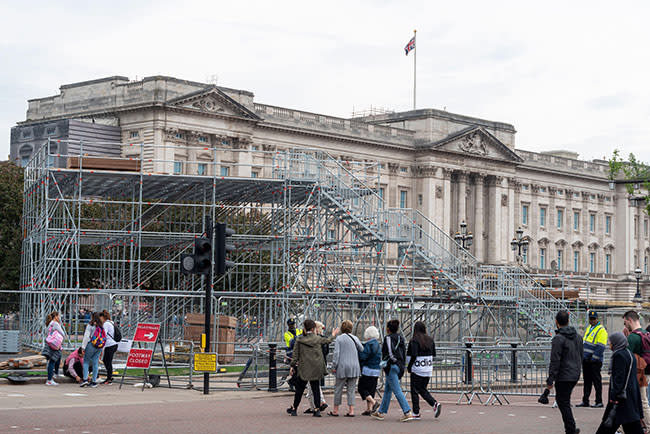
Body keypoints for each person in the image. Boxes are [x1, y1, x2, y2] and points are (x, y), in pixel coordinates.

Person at [286, 319, 338, 417]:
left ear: (304, 328)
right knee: (315, 389)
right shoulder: (317, 338)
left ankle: (294, 408)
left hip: (304, 367)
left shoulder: (299, 340)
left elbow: (295, 355)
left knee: (299, 389)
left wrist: (292, 366)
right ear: (313, 328)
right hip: (316, 367)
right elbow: (328, 340)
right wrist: (333, 334)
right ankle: (317, 409)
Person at [595, 332, 644, 434]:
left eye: (611, 342)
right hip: (630, 398)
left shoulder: (619, 355)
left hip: (620, 399)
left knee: (606, 427)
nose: (609, 344)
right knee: (632, 426)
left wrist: (613, 396)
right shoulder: (629, 354)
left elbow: (619, 378)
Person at [545, 310, 583, 434]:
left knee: (563, 402)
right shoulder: (578, 337)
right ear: (568, 321)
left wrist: (551, 378)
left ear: (556, 322)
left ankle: (570, 429)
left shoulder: (558, 338)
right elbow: (580, 355)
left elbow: (555, 360)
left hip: (564, 374)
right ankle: (571, 428)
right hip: (575, 372)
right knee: (564, 400)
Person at [371, 319, 414, 422]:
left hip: (392, 366)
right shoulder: (401, 338)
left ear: (388, 329)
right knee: (387, 390)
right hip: (399, 366)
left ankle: (407, 411)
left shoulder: (388, 338)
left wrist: (393, 361)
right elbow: (403, 352)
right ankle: (380, 412)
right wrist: (402, 364)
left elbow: (390, 353)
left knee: (397, 390)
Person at [407, 321, 441, 419]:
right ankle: (434, 403)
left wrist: (409, 366)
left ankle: (416, 412)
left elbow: (413, 354)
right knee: (422, 389)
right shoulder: (430, 340)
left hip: (417, 369)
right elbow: (434, 354)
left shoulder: (414, 340)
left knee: (414, 391)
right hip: (428, 368)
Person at [329, 320, 363, 417]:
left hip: (342, 366)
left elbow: (336, 354)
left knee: (338, 388)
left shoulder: (339, 339)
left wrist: (333, 366)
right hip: (354, 366)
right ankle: (351, 410)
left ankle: (336, 410)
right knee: (351, 389)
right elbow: (361, 349)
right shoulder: (355, 338)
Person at [623, 310, 650, 423]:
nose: (625, 326)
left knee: (642, 401)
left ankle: (648, 426)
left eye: (625, 323)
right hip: (647, 371)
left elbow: (625, 357)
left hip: (638, 373)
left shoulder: (632, 338)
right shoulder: (646, 333)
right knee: (642, 400)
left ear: (630, 320)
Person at [577, 310, 608, 408]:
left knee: (596, 381)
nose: (592, 320)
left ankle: (599, 401)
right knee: (587, 381)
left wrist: (594, 358)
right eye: (590, 319)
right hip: (586, 360)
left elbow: (601, 346)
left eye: (593, 319)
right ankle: (585, 400)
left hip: (595, 361)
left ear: (597, 319)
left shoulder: (601, 330)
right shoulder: (589, 328)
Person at [305, 321, 329, 414]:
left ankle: (319, 403)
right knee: (312, 385)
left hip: (313, 365)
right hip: (321, 364)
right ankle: (313, 405)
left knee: (312, 385)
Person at [358, 325, 381, 416]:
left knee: (362, 388)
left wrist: (360, 352)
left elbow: (363, 356)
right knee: (371, 389)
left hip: (367, 369)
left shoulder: (368, 344)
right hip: (376, 369)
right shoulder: (378, 345)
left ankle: (374, 402)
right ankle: (369, 409)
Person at [81, 312, 105, 388]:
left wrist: (83, 347)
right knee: (95, 363)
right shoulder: (101, 326)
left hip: (91, 344)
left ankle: (85, 380)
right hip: (99, 346)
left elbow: (86, 336)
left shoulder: (90, 325)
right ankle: (94, 381)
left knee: (86, 362)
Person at [42, 311, 66, 386]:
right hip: (55, 345)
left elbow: (46, 333)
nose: (59, 317)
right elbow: (63, 333)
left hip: (50, 344)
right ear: (55, 316)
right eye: (59, 316)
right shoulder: (55, 324)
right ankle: (49, 380)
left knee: (57, 358)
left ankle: (55, 373)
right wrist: (60, 340)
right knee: (52, 361)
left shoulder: (49, 324)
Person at [100, 310, 118, 385]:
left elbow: (104, 335)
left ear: (103, 317)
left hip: (110, 344)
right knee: (107, 361)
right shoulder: (111, 322)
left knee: (107, 361)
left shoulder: (106, 324)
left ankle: (109, 377)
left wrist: (101, 347)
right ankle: (109, 377)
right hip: (113, 344)